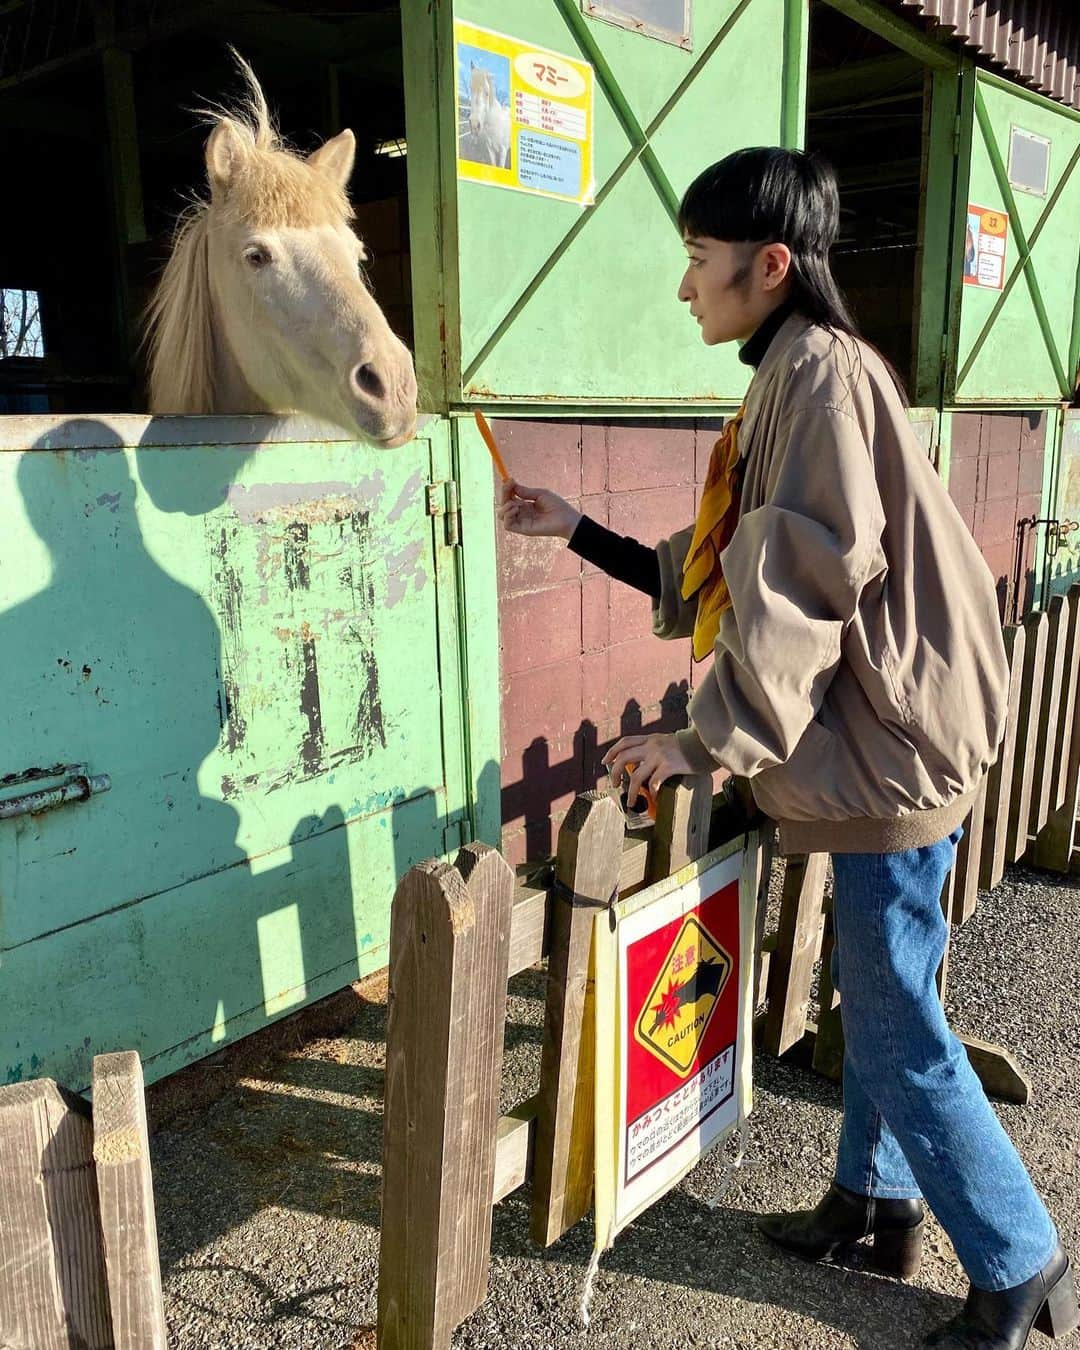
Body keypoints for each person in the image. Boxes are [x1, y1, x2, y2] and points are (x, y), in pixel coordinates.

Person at [496, 147, 1077, 1350]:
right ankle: (873, 1203)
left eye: (699, 263)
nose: (684, 288)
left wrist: (700, 741)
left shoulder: (811, 380)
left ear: (769, 267)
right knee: (877, 998)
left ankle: (1016, 1257)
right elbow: (731, 563)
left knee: (893, 1014)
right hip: (902, 734)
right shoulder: (804, 371)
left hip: (893, 753)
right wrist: (584, 530)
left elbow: (799, 588)